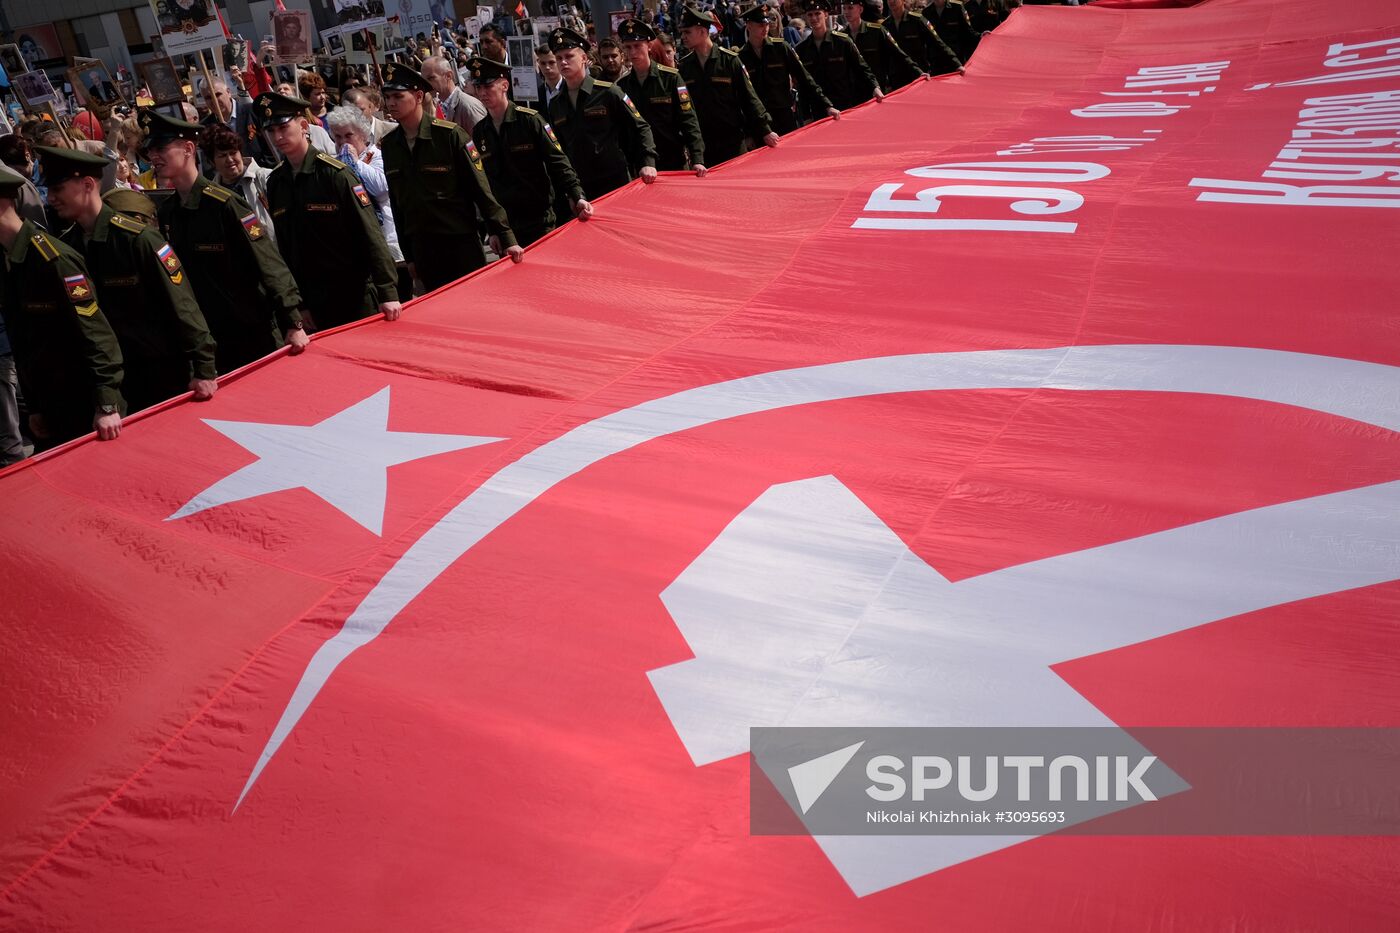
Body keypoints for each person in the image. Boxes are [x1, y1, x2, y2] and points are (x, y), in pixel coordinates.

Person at [41, 145, 219, 411]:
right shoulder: (68, 247)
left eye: (58, 189)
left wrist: (204, 367)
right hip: (113, 380)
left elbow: (183, 305)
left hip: (160, 372)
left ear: (87, 184)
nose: (51, 198)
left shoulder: (137, 239)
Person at [142, 109, 308, 375]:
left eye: (161, 148)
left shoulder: (224, 204)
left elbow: (268, 263)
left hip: (252, 330)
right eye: (150, 151)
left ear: (188, 149)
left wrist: (293, 320)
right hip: (213, 334)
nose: (153, 157)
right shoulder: (168, 212)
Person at [0, 166, 125, 450]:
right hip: (51, 403)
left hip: (85, 404)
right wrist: (35, 406)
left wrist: (107, 405)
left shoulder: (53, 260)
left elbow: (97, 335)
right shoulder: (8, 259)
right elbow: (24, 341)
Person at [257, 91, 402, 328]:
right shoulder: (276, 183)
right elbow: (286, 247)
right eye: (271, 131)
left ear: (304, 126)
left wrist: (388, 292)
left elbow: (370, 234)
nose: (278, 137)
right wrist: (299, 304)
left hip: (354, 294)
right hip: (315, 300)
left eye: (283, 128)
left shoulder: (335, 174)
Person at [377, 62, 521, 293]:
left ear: (418, 96)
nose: (391, 103)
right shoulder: (390, 145)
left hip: (459, 243)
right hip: (423, 248)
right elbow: (398, 203)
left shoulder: (449, 136)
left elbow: (480, 189)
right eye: (387, 97)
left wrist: (504, 236)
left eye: (398, 96)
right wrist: (409, 256)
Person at [467, 56, 591, 248]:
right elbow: (485, 185)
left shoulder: (529, 121)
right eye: (478, 87)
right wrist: (493, 229)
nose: (482, 93)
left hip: (539, 219)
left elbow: (558, 161)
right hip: (507, 226)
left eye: (488, 86)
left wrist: (577, 195)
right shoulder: (480, 132)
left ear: (504, 86)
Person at [545, 28, 657, 200]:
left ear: (584, 58)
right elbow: (559, 151)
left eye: (569, 56)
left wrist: (648, 162)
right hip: (581, 186)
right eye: (559, 58)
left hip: (614, 181)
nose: (563, 62)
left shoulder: (608, 92)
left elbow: (640, 126)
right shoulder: (556, 103)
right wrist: (571, 192)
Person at [324, 104, 412, 300]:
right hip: (358, 244)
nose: (342, 142)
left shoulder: (378, 156)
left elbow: (381, 186)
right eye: (338, 137)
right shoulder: (336, 163)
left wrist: (355, 164)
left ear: (362, 134)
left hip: (387, 240)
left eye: (348, 135)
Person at [677, 6, 778, 165]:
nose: (683, 37)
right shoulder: (684, 67)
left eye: (687, 32)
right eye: (682, 32)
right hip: (704, 145)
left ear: (702, 32)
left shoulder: (729, 60)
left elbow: (748, 97)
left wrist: (764, 130)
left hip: (732, 141)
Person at [617, 19, 707, 176]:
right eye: (628, 47)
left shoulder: (671, 78)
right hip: (642, 165)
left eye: (637, 46)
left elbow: (688, 120)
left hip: (673, 159)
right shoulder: (622, 86)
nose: (632, 52)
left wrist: (697, 158)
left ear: (649, 45)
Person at [737, 5, 838, 135]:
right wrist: (746, 134)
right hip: (758, 122)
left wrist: (827, 105)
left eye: (767, 24)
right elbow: (741, 98)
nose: (766, 28)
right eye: (761, 25)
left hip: (784, 116)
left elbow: (805, 78)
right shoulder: (740, 57)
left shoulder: (781, 48)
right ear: (749, 25)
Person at [796, 0, 883, 110]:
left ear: (826, 15)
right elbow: (802, 84)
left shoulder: (842, 41)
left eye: (817, 14)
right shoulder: (801, 49)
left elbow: (861, 67)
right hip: (818, 107)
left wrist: (875, 87)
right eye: (810, 15)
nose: (814, 18)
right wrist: (806, 114)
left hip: (844, 104)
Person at [200, 124, 275, 240]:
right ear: (211, 162)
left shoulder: (266, 178)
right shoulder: (212, 193)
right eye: (222, 155)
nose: (230, 160)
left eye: (233, 153)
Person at [839, 0, 925, 91]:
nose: (846, 12)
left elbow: (898, 53)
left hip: (877, 87)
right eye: (844, 8)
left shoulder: (876, 31)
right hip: (851, 90)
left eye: (850, 8)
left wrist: (919, 72)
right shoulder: (841, 36)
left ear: (860, 9)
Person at [884, 0, 963, 77]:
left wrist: (956, 63)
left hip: (919, 72)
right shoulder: (885, 25)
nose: (891, 1)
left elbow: (936, 42)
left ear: (903, 1)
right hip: (896, 75)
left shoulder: (916, 20)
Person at [421, 54, 488, 133]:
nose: (425, 84)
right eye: (423, 80)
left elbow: (483, 138)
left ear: (448, 76)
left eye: (431, 78)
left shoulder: (468, 106)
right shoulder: (438, 105)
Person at [924, 0, 981, 65]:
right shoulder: (926, 12)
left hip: (956, 57)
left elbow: (968, 30)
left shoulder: (957, 7)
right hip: (936, 58)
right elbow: (926, 38)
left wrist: (981, 36)